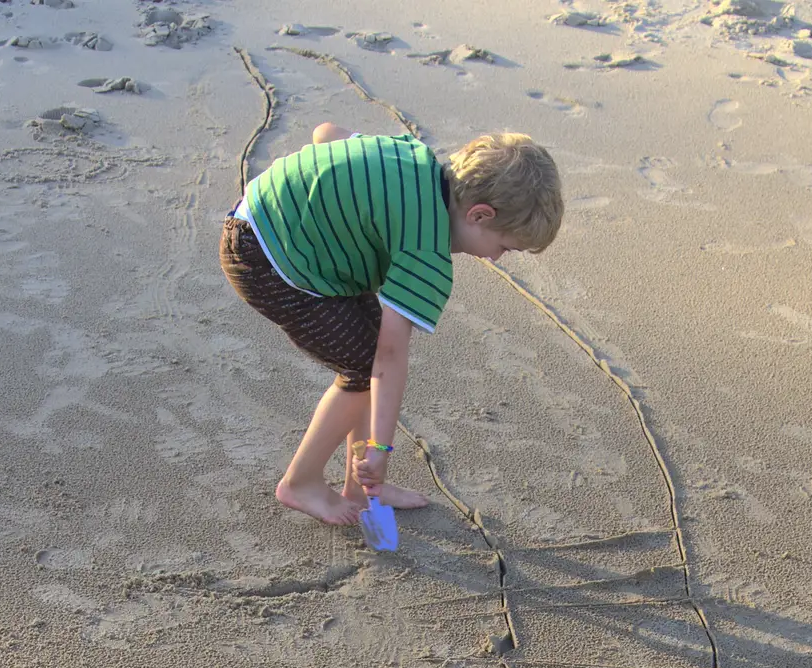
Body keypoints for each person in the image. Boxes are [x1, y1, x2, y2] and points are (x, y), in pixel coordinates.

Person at [220, 125, 563, 527]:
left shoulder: (412, 157)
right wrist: (381, 447)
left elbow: (327, 134)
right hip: (268, 260)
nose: (498, 258)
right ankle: (301, 482)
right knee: (363, 366)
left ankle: (360, 486)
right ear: (479, 214)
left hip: (263, 213)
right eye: (504, 246)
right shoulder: (426, 250)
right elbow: (390, 356)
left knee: (363, 345)